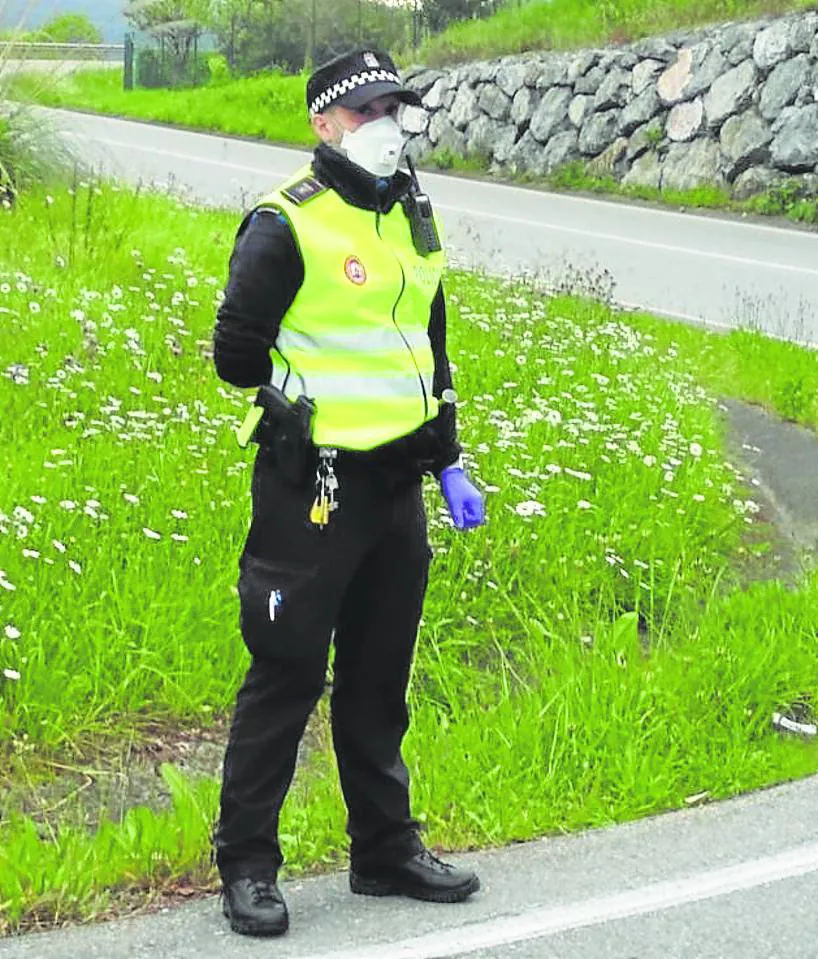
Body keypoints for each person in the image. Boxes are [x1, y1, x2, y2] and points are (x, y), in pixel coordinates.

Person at [211, 47, 486, 939]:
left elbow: (428, 344)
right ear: (323, 124)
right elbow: (235, 355)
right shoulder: (285, 222)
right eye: (365, 113)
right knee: (285, 676)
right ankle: (248, 863)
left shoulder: (411, 211)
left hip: (395, 488)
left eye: (394, 110)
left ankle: (383, 849)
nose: (384, 128)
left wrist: (447, 459)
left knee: (378, 679)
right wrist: (298, 409)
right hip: (312, 490)